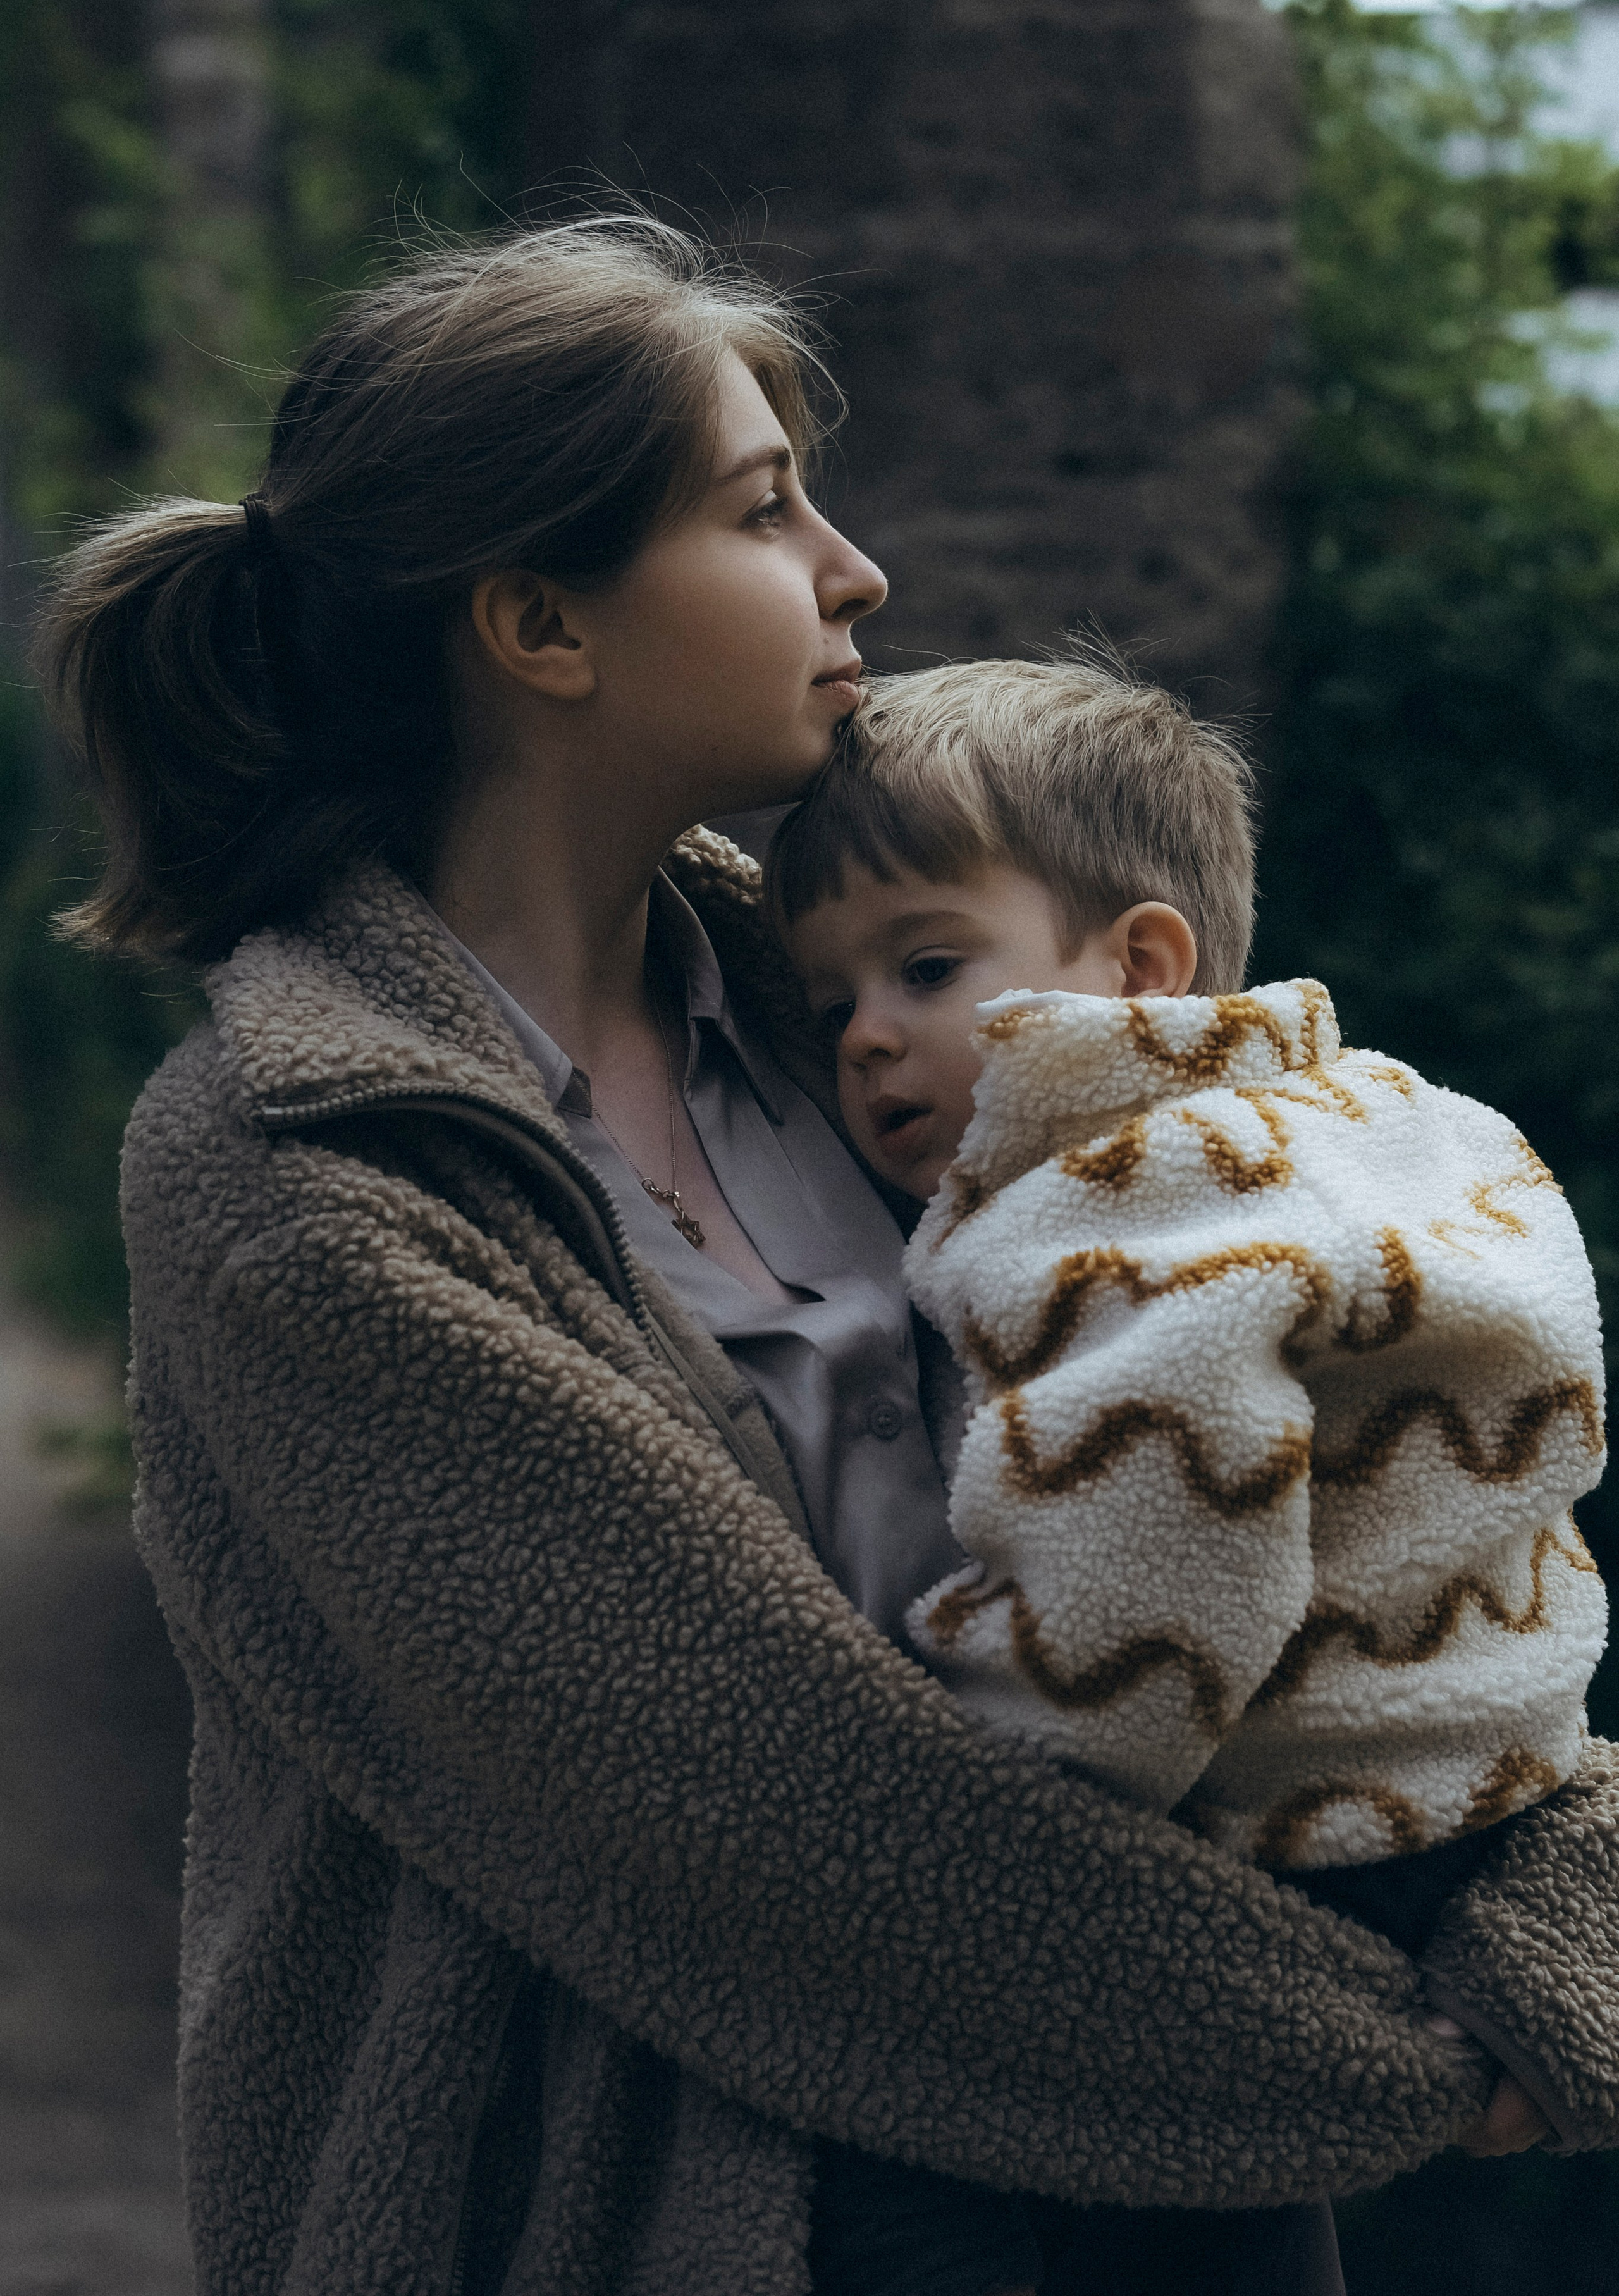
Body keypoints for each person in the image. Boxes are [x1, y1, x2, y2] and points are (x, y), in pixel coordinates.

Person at [35, 218, 1619, 2296]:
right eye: (765, 506)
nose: (854, 567)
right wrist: (1390, 2049)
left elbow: (1364, 1474)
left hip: (1149, 2158)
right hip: (664, 2199)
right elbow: (763, 1814)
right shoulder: (294, 1166)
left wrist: (1544, 1888)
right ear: (541, 622)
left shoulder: (869, 1020)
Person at [770, 652, 1613, 2289]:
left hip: (1297, 1826)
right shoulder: (1371, 1119)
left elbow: (1155, 1577)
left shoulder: (1124, 1207)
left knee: (914, 2154)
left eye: (926, 964)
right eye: (829, 1007)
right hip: (1486, 1787)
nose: (868, 1041)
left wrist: (973, 1800)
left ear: (1141, 961)